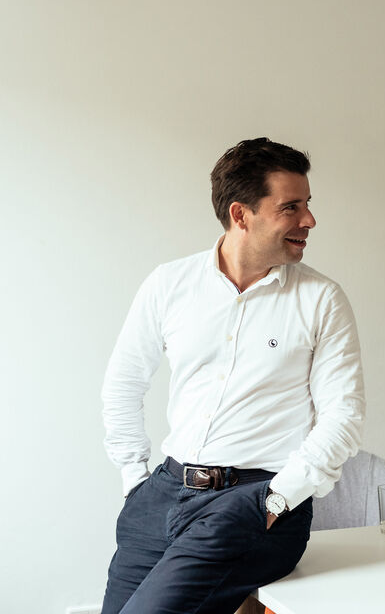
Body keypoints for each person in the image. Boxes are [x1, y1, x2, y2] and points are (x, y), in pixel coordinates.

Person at [101, 137, 365, 614]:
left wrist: (277, 500)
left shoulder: (321, 299)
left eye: (307, 204)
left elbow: (343, 415)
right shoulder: (169, 284)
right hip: (160, 493)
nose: (309, 219)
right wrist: (134, 479)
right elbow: (124, 382)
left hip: (254, 500)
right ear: (241, 214)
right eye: (291, 207)